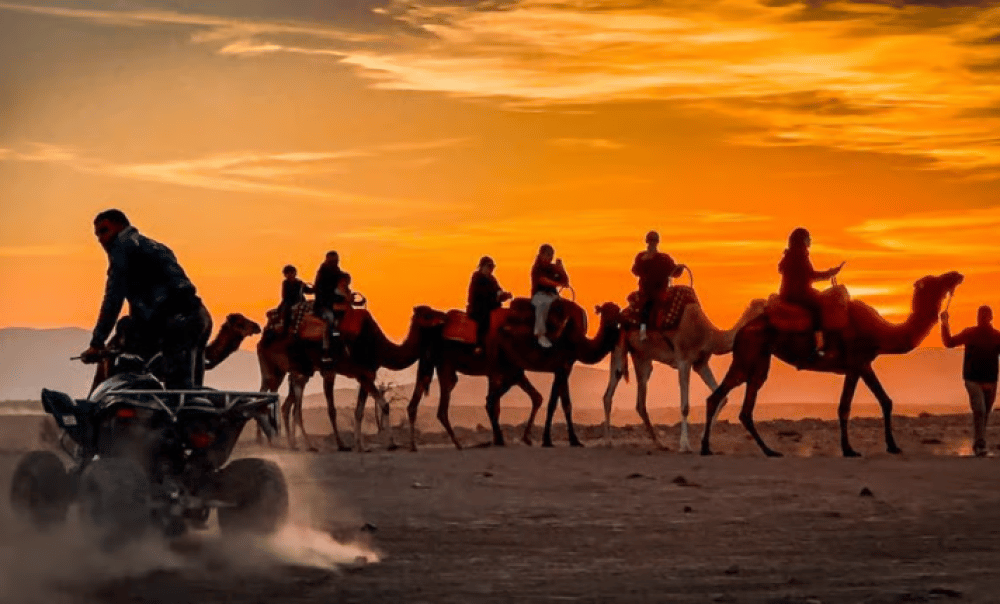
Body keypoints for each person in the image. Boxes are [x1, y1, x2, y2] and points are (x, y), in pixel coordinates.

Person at [79, 209, 212, 389]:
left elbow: (113, 298)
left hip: (177, 323)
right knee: (189, 396)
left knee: (175, 396)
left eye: (104, 231)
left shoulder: (122, 247)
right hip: (199, 317)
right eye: (97, 235)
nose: (101, 239)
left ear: (120, 226)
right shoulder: (157, 247)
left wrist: (97, 342)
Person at [778, 227, 845, 361]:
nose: (810, 241)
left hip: (792, 292)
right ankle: (817, 346)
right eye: (808, 238)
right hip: (797, 294)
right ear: (802, 240)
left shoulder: (792, 254)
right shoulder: (799, 256)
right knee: (819, 308)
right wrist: (830, 273)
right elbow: (811, 276)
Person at [941, 305, 1000, 457]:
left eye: (986, 316)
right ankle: (981, 444)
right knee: (980, 410)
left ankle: (978, 442)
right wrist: (945, 324)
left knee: (985, 413)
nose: (983, 319)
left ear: (991, 318)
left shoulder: (996, 336)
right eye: (980, 316)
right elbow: (949, 343)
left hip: (991, 381)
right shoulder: (970, 333)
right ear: (977, 317)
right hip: (972, 379)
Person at [631, 230, 686, 341]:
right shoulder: (641, 257)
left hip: (661, 292)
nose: (652, 243)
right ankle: (642, 333)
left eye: (653, 241)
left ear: (657, 242)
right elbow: (635, 270)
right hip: (646, 292)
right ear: (647, 242)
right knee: (645, 309)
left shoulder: (664, 259)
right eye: (651, 241)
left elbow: (674, 272)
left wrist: (680, 268)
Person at [467, 256, 512, 350]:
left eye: (492, 267)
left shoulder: (492, 279)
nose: (490, 270)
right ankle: (479, 346)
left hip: (492, 307)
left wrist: (504, 295)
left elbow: (498, 290)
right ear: (482, 267)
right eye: (488, 267)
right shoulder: (477, 278)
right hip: (479, 309)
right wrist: (497, 298)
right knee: (484, 322)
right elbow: (483, 295)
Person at [531, 244, 569, 349]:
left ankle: (561, 330)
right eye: (548, 255)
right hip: (539, 295)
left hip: (553, 296)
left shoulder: (552, 268)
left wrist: (561, 269)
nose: (550, 258)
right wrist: (557, 284)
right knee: (542, 303)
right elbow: (542, 280)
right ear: (541, 255)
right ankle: (540, 335)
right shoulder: (537, 267)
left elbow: (565, 282)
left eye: (551, 256)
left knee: (566, 306)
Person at [313, 251, 345, 361]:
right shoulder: (322, 274)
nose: (334, 263)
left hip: (336, 305)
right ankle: (326, 350)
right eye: (332, 261)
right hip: (323, 305)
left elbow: (341, 288)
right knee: (330, 319)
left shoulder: (338, 273)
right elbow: (321, 291)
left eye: (336, 261)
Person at [279, 265, 314, 335]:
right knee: (286, 312)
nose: (290, 275)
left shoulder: (299, 282)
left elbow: (308, 291)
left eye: (291, 273)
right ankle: (285, 330)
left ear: (295, 273)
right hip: (289, 302)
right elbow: (285, 296)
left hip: (300, 302)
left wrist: (315, 289)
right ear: (285, 275)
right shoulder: (286, 283)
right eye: (288, 273)